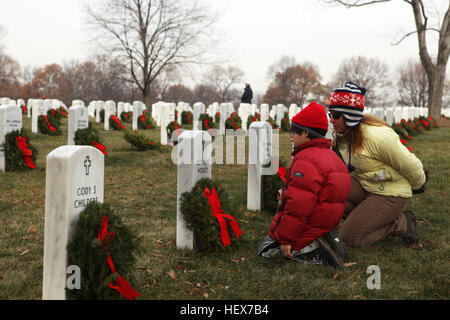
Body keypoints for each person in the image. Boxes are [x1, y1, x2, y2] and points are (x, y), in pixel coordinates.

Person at [327, 81, 427, 248]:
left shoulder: (377, 137)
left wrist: (419, 183)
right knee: (331, 193)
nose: (332, 120)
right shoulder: (344, 135)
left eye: (336, 115)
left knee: (350, 238)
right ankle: (369, 219)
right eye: (330, 114)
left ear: (350, 116)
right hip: (368, 185)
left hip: (390, 192)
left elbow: (409, 163)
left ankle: (401, 223)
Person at [257, 101, 351, 268]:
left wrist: (286, 240)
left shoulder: (306, 160)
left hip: (307, 227)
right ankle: (324, 239)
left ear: (306, 134)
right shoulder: (334, 158)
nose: (292, 137)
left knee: (265, 250)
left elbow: (298, 207)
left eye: (294, 132)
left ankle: (313, 251)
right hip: (324, 225)